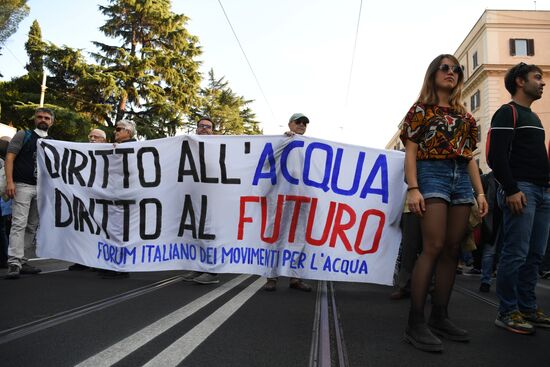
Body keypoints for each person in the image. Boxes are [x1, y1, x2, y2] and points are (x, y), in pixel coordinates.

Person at [399, 54, 488, 352]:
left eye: (456, 69)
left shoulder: (466, 116)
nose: (451, 72)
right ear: (433, 74)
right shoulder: (420, 110)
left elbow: (470, 158)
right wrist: (413, 187)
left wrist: (481, 193)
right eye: (445, 68)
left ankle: (440, 316)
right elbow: (410, 151)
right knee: (433, 246)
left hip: (461, 177)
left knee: (453, 249)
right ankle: (416, 322)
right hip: (431, 173)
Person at [488, 62, 550, 334]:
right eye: (537, 77)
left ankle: (527, 307)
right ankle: (507, 310)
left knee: (535, 256)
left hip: (543, 192)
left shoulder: (535, 118)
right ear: (520, 82)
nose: (543, 82)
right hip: (521, 191)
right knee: (516, 253)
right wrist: (511, 189)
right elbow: (495, 157)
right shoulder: (507, 113)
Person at [262, 113, 312, 292]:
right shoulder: (282, 141)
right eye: (298, 122)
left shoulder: (311, 145)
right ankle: (271, 277)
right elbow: (266, 160)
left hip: (303, 199)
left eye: (305, 123)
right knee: (275, 235)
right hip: (281, 197)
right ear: (290, 124)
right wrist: (284, 139)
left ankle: (295, 278)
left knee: (299, 238)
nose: (301, 125)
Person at [5, 108, 55, 279]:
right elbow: (10, 157)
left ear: (51, 122)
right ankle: (14, 262)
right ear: (34, 119)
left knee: (32, 226)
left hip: (42, 189)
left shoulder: (54, 142)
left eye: (47, 118)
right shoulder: (23, 135)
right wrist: (10, 182)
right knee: (19, 223)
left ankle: (23, 260)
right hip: (22, 185)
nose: (43, 120)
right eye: (40, 117)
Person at [181, 117, 220, 285]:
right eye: (201, 126)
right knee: (195, 232)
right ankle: (199, 266)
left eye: (208, 127)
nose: (204, 129)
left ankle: (211, 271)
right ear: (196, 129)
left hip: (214, 197)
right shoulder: (188, 145)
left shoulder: (220, 146)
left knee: (209, 233)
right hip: (194, 197)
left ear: (213, 130)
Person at [98, 120, 136, 279]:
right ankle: (112, 262)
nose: (115, 132)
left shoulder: (135, 148)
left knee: (122, 231)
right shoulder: (115, 147)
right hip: (114, 194)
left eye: (119, 129)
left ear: (128, 132)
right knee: (112, 229)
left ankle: (120, 266)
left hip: (126, 196)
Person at [68, 128, 108, 271]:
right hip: (83, 197)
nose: (92, 138)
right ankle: (82, 260)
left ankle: (98, 260)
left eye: (96, 136)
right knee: (83, 229)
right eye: (90, 136)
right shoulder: (82, 152)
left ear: (103, 140)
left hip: (101, 198)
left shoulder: (110, 152)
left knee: (99, 229)